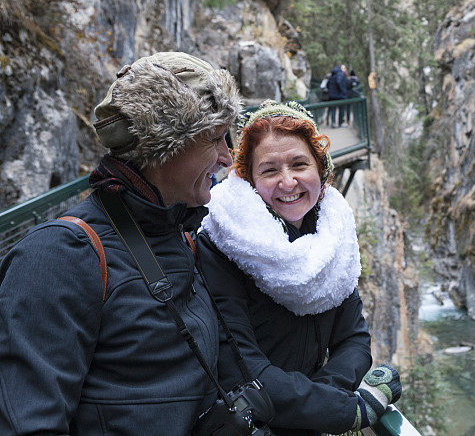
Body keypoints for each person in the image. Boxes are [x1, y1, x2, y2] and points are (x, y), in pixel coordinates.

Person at [0, 52, 242, 435]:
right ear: (164, 146)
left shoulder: (182, 234)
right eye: (215, 139)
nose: (227, 157)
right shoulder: (58, 257)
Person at [197, 99, 401, 435]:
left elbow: (354, 339)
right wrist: (342, 409)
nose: (288, 182)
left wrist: (318, 399)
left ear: (321, 171)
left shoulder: (333, 240)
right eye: (270, 170)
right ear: (249, 180)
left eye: (299, 164)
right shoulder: (222, 246)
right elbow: (243, 369)